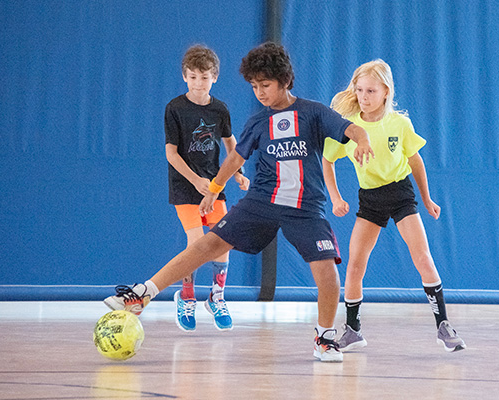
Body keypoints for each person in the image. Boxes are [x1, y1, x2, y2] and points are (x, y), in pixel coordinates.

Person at [104, 42, 374, 362]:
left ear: (285, 80)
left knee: (326, 268)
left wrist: (364, 139)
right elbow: (235, 157)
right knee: (206, 245)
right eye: (254, 86)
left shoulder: (313, 112)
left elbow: (351, 128)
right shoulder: (258, 122)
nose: (259, 92)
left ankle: (325, 336)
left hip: (305, 206)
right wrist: (213, 188)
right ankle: (143, 293)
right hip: (261, 200)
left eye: (266, 85)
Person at [322, 59, 466, 352]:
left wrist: (426, 199)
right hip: (370, 199)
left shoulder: (399, 123)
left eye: (371, 91)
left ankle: (443, 325)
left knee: (422, 257)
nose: (364, 96)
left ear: (386, 91)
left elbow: (415, 161)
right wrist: (336, 197)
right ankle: (353, 330)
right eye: (359, 90)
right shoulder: (348, 127)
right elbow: (327, 160)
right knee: (354, 266)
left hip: (401, 194)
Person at [160, 44, 249, 332]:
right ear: (185, 77)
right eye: (194, 77)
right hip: (185, 187)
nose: (199, 83)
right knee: (197, 243)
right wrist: (194, 180)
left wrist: (238, 172)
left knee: (222, 241)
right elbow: (171, 153)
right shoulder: (175, 108)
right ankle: (187, 297)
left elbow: (230, 144)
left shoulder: (219, 109)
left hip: (213, 185)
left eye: (205, 77)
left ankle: (216, 296)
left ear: (215, 78)